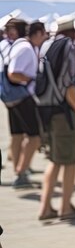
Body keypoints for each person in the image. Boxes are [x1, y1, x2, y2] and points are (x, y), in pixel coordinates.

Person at [38, 16, 75, 221]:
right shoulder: (67, 47)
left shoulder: (46, 45)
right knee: (68, 161)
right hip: (63, 112)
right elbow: (68, 85)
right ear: (71, 31)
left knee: (54, 160)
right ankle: (65, 207)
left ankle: (45, 207)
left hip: (46, 110)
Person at [5, 20, 46, 187]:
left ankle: (20, 168)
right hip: (23, 96)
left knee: (17, 134)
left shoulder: (20, 46)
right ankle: (21, 172)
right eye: (43, 34)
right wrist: (30, 78)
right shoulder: (26, 48)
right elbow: (13, 73)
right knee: (35, 136)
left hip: (12, 97)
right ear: (36, 34)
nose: (44, 38)